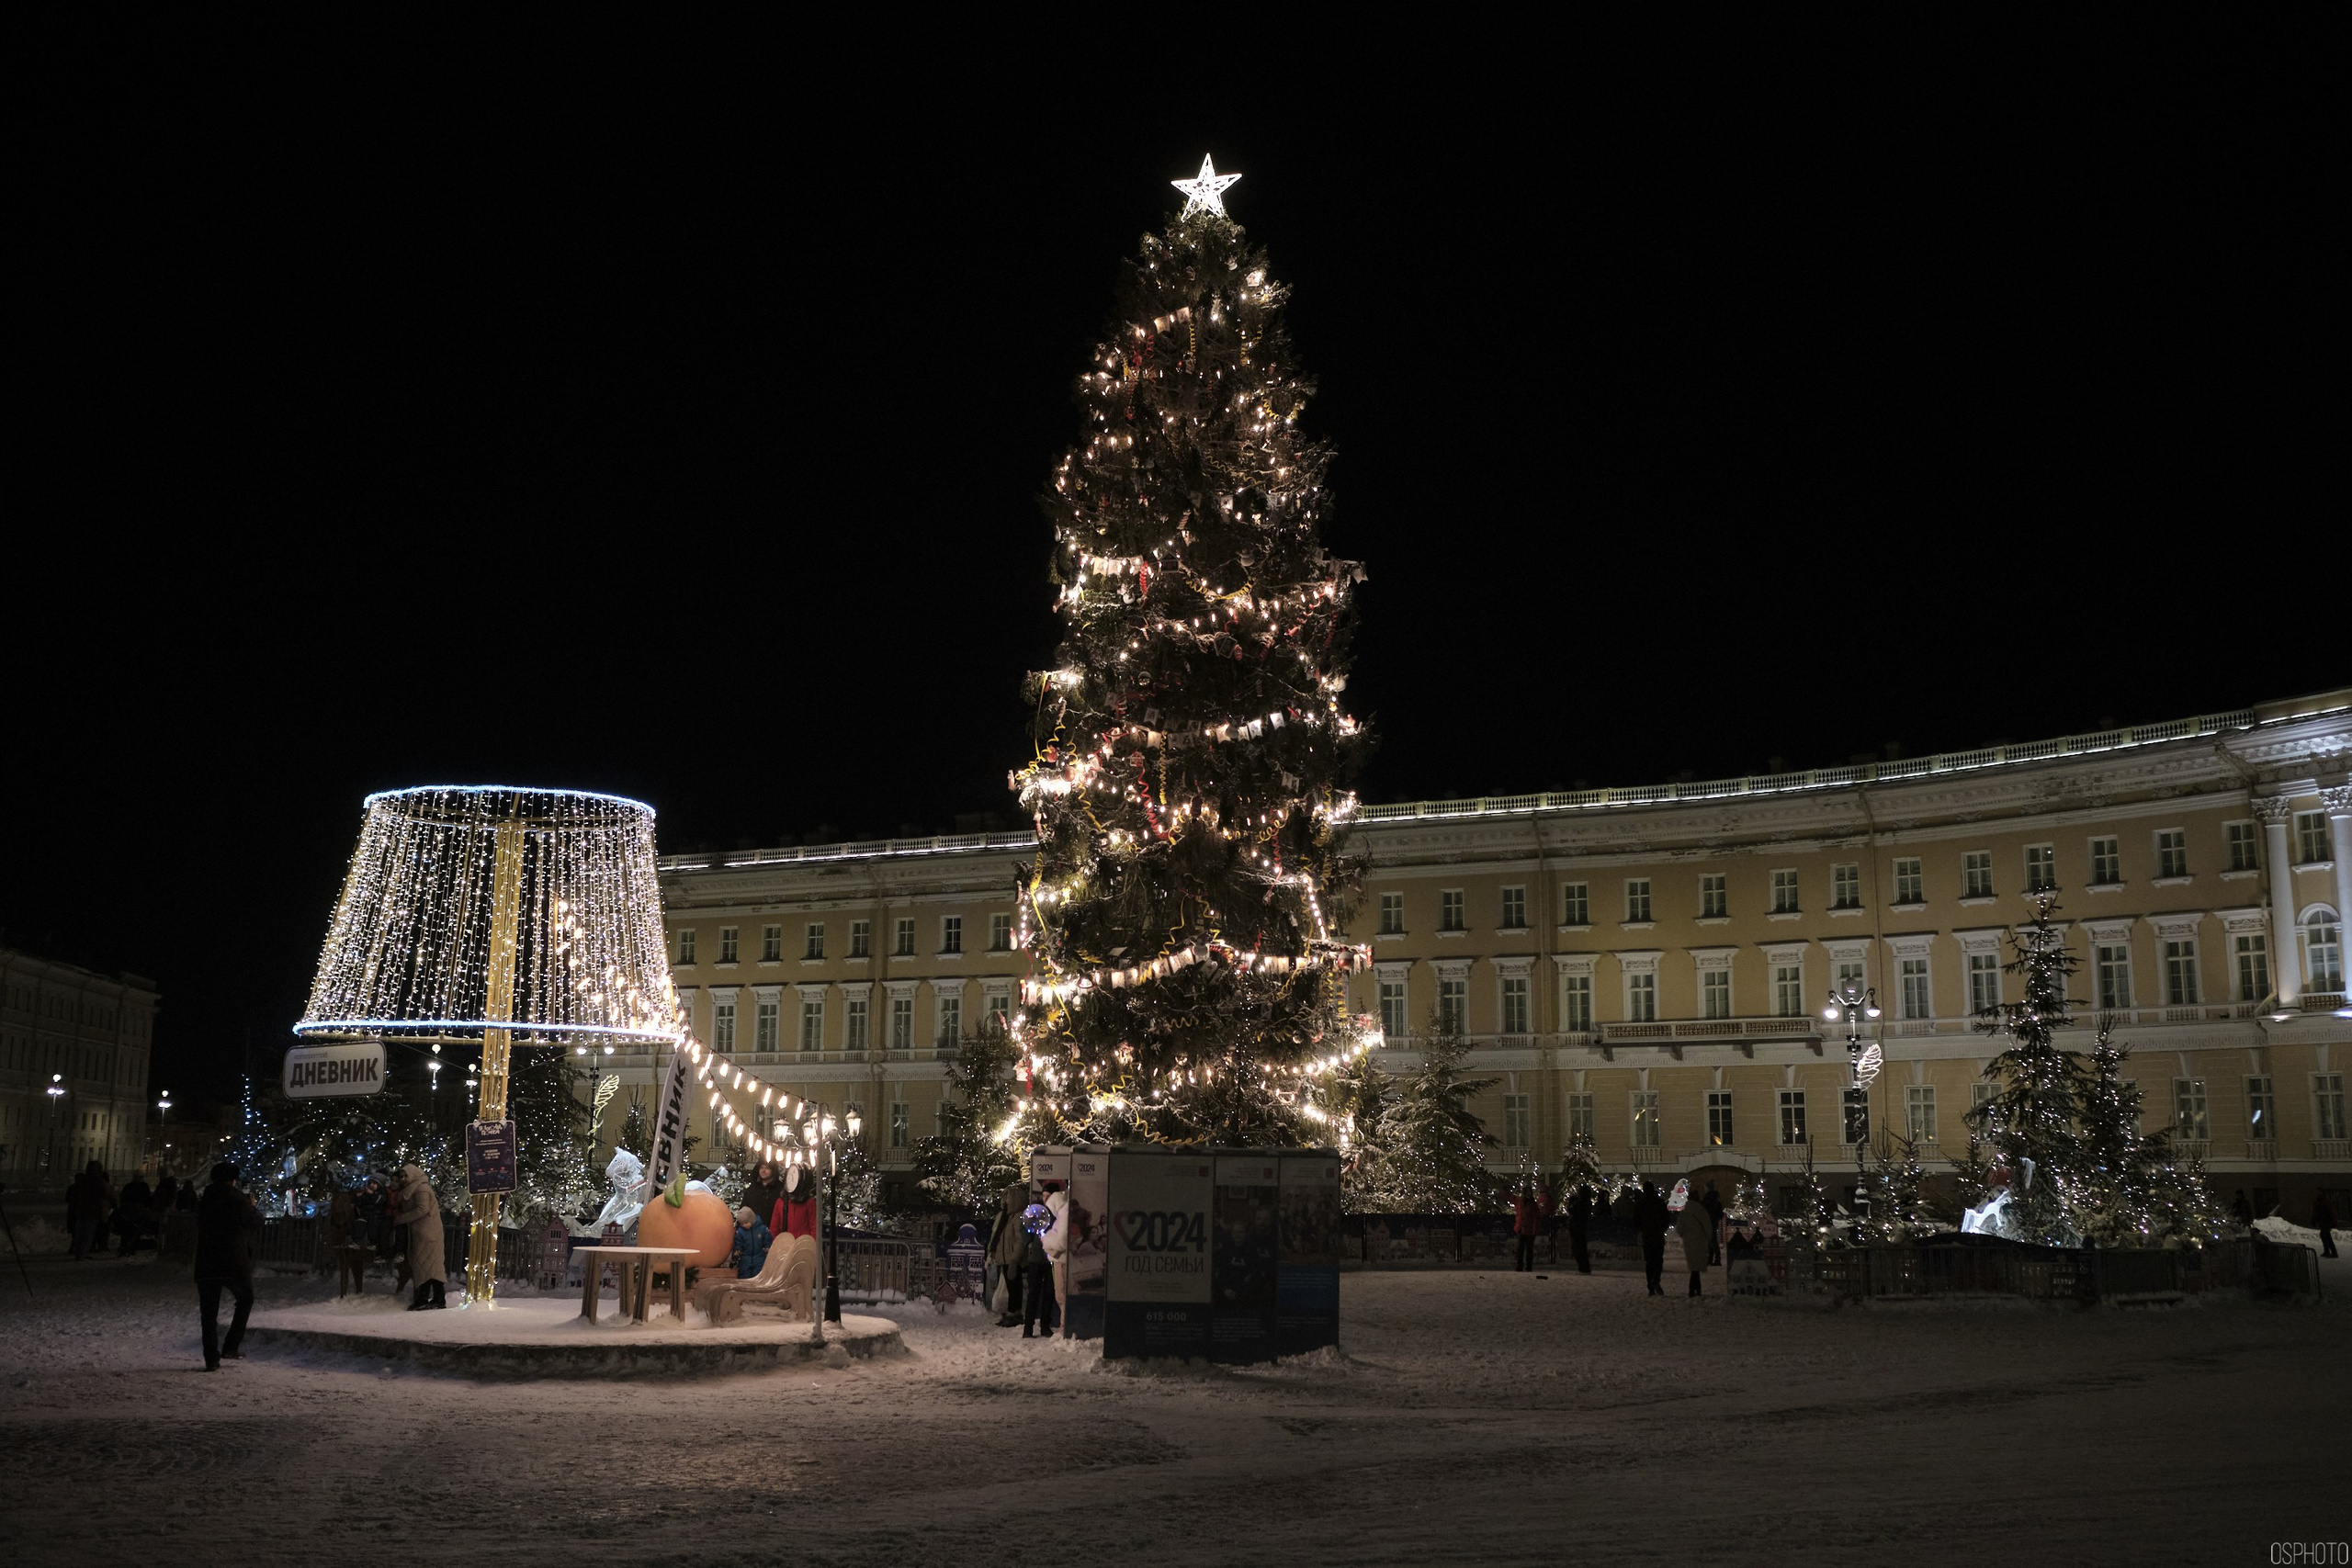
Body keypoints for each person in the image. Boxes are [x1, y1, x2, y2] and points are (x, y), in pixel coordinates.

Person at [193, 1162, 260, 1371]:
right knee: (245, 1299)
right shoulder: (238, 1200)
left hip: (207, 1261)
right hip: (233, 1261)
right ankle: (231, 1345)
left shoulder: (205, 1199)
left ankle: (211, 1358)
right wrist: (252, 1206)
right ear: (232, 1180)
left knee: (208, 1313)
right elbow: (256, 1222)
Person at [394, 1163, 446, 1309]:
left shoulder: (421, 1189)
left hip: (427, 1233)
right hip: (423, 1232)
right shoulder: (414, 1189)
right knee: (430, 1267)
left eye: (406, 1176)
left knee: (425, 1266)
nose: (403, 1179)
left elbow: (422, 1209)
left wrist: (401, 1219)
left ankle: (424, 1299)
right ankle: (437, 1299)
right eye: (401, 1176)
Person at [987, 1179, 1028, 1327]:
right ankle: (1013, 1312)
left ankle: (1014, 1313)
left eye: (1008, 1197)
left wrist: (1015, 1260)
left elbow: (1020, 1241)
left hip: (1012, 1259)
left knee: (1014, 1286)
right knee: (1011, 1286)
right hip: (1005, 1258)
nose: (1006, 1201)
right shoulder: (1007, 1217)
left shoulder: (1018, 1217)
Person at [66, 1160, 112, 1260]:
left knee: (80, 1232)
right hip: (92, 1210)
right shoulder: (99, 1182)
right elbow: (107, 1195)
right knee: (88, 1233)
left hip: (81, 1210)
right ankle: (83, 1253)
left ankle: (78, 1252)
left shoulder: (82, 1181)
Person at [1019, 1212, 1054, 1339]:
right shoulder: (1038, 1211)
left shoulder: (1053, 1212)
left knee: (1048, 1292)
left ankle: (1042, 1326)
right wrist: (1029, 1243)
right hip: (1038, 1258)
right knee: (1035, 1293)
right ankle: (1029, 1327)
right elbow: (1024, 1226)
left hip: (1048, 1257)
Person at [1042, 1179, 1070, 1333]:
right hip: (1060, 1260)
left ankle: (1064, 1328)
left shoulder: (1063, 1213)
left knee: (1061, 1295)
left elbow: (1061, 1242)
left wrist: (1046, 1239)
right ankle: (1063, 1327)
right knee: (1061, 1295)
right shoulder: (1063, 1212)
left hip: (1062, 1261)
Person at [1676, 1187, 1713, 1298]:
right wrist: (1709, 1237)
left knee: (1693, 1266)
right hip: (1700, 1240)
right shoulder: (1701, 1211)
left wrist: (1685, 1235)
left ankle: (1694, 1289)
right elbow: (1707, 1226)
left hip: (1688, 1241)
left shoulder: (1684, 1212)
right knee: (1697, 1266)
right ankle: (1695, 1289)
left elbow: (1679, 1229)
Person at [1510, 1177, 1552, 1273]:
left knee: (1528, 1249)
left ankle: (1528, 1266)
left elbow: (1536, 1218)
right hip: (1522, 1229)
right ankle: (1520, 1266)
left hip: (1528, 1230)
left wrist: (1534, 1230)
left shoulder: (1532, 1204)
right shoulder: (1522, 1202)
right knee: (1521, 1249)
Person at [1636, 1180, 1670, 1296]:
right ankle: (1656, 1279)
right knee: (1658, 1260)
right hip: (1657, 1234)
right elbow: (1666, 1218)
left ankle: (1650, 1285)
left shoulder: (1641, 1203)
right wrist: (1662, 1228)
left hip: (1647, 1235)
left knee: (1649, 1261)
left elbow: (1636, 1220)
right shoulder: (1659, 1202)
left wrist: (1641, 1230)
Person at [114, 1170, 156, 1256]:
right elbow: (147, 1199)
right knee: (134, 1231)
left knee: (129, 1231)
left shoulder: (130, 1186)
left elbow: (123, 1198)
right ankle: (129, 1247)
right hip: (137, 1212)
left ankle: (126, 1247)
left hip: (131, 1212)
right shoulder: (143, 1187)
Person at [742, 1162, 784, 1237]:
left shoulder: (780, 1190)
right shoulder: (752, 1190)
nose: (763, 1171)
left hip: (772, 1233)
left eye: (767, 1168)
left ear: (773, 1170)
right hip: (753, 1232)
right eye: (761, 1168)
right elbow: (744, 1210)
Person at [730, 1205, 772, 1279]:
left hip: (759, 1257)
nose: (744, 1225)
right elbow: (738, 1245)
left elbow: (768, 1240)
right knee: (744, 1276)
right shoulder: (740, 1232)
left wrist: (768, 1249)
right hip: (745, 1259)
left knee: (758, 1277)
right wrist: (735, 1257)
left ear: (751, 1220)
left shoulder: (762, 1229)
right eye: (742, 1224)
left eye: (746, 1223)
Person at [1566, 1182, 1594, 1274]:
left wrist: (1571, 1203)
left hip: (1576, 1227)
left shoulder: (1580, 1203)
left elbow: (1571, 1210)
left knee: (1578, 1248)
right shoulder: (1587, 1202)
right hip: (1581, 1227)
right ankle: (1584, 1267)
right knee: (1581, 1248)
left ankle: (1583, 1268)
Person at [1701, 1181, 1725, 1266]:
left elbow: (1705, 1209)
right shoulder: (1715, 1199)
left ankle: (1716, 1259)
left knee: (1712, 1241)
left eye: (1705, 1187)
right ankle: (1711, 1259)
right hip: (1713, 1221)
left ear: (1708, 1188)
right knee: (1711, 1240)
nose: (1704, 1189)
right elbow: (1720, 1213)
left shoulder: (1708, 1199)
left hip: (1709, 1221)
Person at [2313, 1191, 2339, 1258]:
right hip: (2323, 1222)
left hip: (2326, 1222)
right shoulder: (2319, 1202)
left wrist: (2333, 1222)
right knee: (2324, 1236)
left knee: (2326, 1236)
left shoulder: (2325, 1202)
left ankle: (2332, 1252)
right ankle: (2328, 1251)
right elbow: (2316, 1212)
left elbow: (2332, 1212)